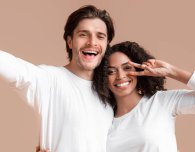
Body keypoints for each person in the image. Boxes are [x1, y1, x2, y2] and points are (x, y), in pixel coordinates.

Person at [0, 5, 115, 151]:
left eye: (100, 36)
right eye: (83, 34)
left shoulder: (110, 93)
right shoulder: (49, 80)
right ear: (70, 41)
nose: (92, 42)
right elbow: (11, 67)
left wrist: (154, 73)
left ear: (106, 45)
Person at [92, 41, 195, 152]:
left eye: (127, 68)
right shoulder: (104, 120)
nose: (120, 76)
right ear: (103, 78)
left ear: (139, 69)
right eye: (111, 72)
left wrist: (171, 71)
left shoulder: (161, 102)